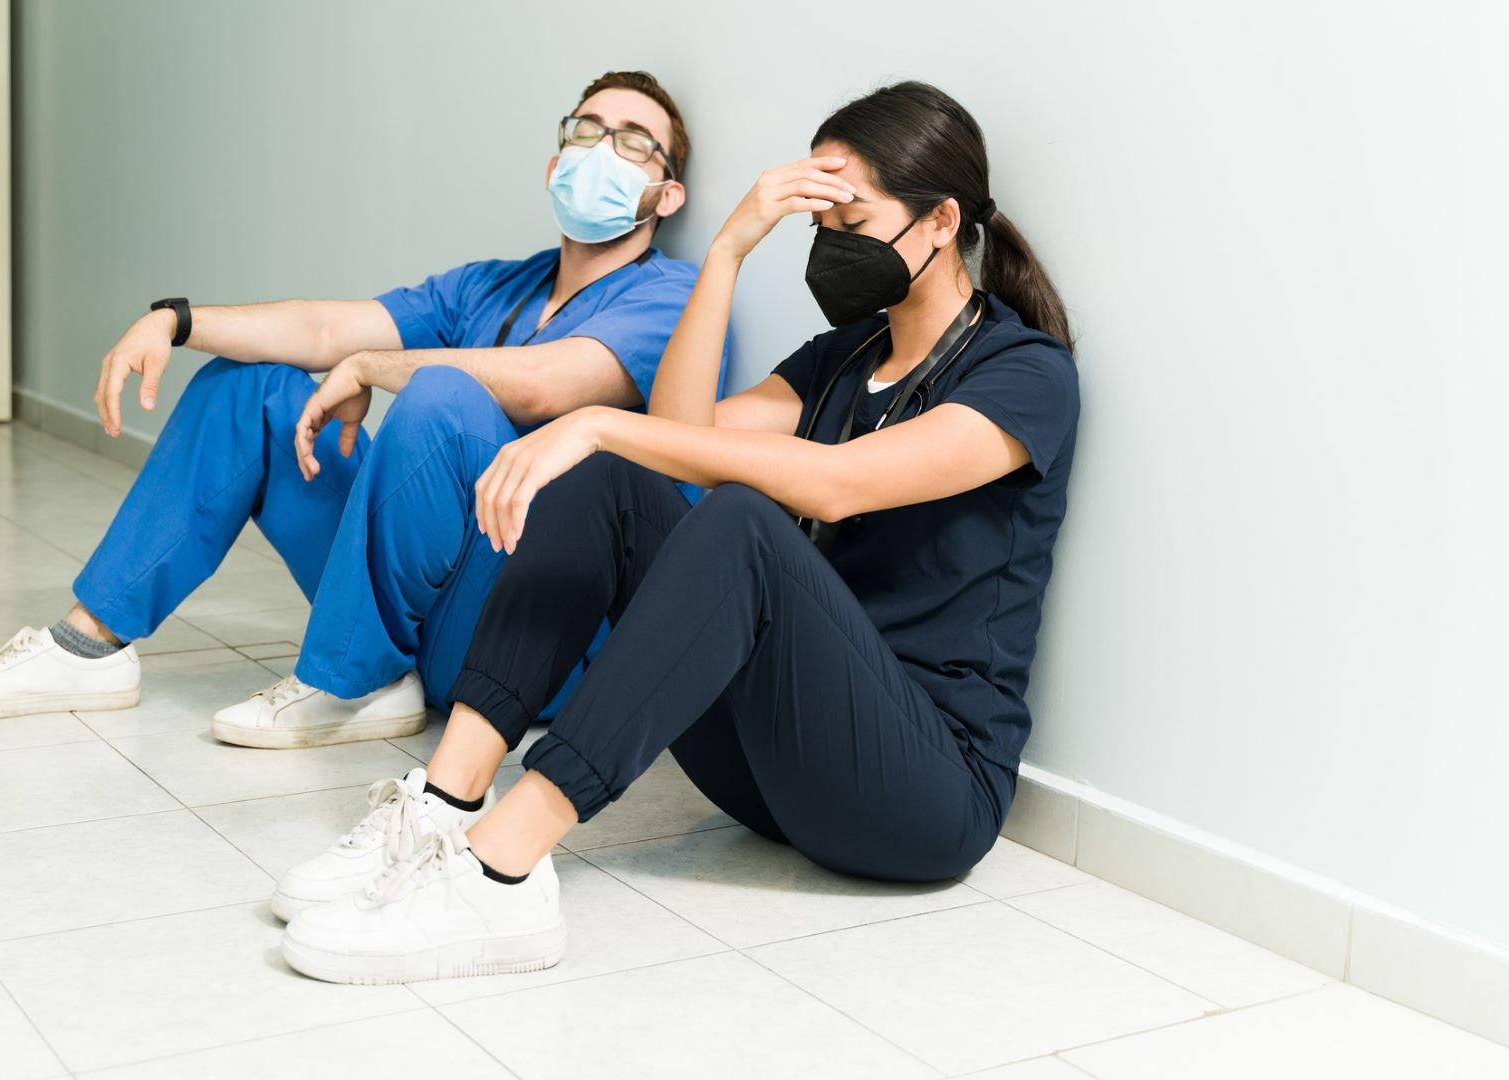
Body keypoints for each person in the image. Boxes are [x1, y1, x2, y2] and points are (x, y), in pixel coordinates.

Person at [270, 81, 1081, 985]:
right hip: (779, 774)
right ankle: (442, 804)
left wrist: (593, 419)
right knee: (616, 480)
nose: (831, 243)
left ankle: (502, 870)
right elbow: (683, 434)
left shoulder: (1024, 374)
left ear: (939, 224)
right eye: (817, 221)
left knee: (729, 513)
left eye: (849, 215)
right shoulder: (844, 357)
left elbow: (842, 487)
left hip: (923, 795)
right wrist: (730, 248)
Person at [0, 71, 724, 750]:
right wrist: (177, 318)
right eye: (588, 130)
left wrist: (377, 367)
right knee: (254, 386)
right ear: (556, 160)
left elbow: (551, 383)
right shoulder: (493, 284)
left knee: (442, 391)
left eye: (632, 140)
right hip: (434, 602)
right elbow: (323, 328)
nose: (601, 150)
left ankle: (351, 676)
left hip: (533, 631)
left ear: (667, 190)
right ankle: (89, 645)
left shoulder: (671, 297)